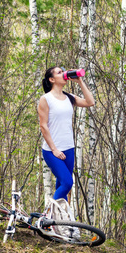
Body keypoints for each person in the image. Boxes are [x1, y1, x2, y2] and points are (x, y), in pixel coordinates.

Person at [38, 66, 95, 202]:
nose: (63, 74)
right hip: (52, 151)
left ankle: (60, 222)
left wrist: (80, 81)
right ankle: (48, 215)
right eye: (59, 72)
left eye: (63, 71)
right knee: (67, 183)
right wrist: (54, 150)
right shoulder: (46, 99)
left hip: (68, 148)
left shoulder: (69, 97)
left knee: (62, 186)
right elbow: (43, 126)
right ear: (51, 79)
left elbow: (90, 102)